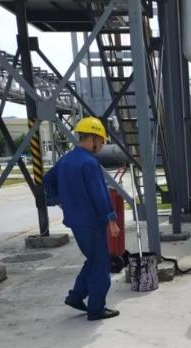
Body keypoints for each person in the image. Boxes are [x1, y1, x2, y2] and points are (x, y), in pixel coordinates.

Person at [44, 117, 120, 321]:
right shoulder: (89, 163)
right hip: (92, 223)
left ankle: (76, 296)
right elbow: (100, 195)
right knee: (100, 267)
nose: (102, 145)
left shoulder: (66, 160)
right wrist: (112, 220)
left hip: (76, 222)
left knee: (93, 259)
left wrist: (58, 200)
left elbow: (47, 180)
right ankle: (96, 309)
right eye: (101, 141)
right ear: (93, 138)